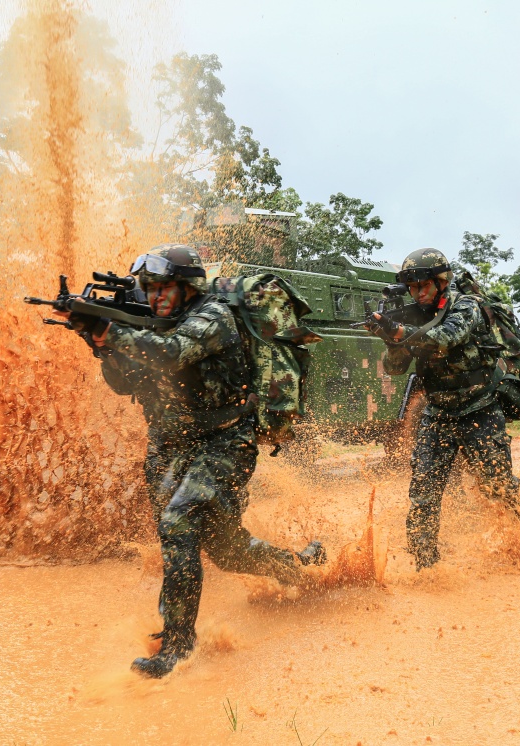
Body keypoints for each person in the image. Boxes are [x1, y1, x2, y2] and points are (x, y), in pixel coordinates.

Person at [77, 243, 324, 679]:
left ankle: (176, 645)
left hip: (225, 440)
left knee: (178, 521)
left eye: (162, 288)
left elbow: (172, 352)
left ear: (187, 287)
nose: (154, 297)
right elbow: (122, 382)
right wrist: (101, 344)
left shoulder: (213, 317)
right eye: (148, 289)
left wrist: (112, 333)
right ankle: (299, 568)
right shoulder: (155, 325)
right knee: (227, 550)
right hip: (170, 444)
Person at [368, 248, 520, 570]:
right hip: (437, 413)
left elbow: (444, 338)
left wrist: (399, 331)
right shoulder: (414, 317)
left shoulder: (466, 306)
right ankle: (426, 565)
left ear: (441, 281)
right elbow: (395, 368)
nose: (417, 293)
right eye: (412, 287)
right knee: (423, 491)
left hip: (479, 409)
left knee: (498, 485)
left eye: (423, 285)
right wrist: (390, 340)